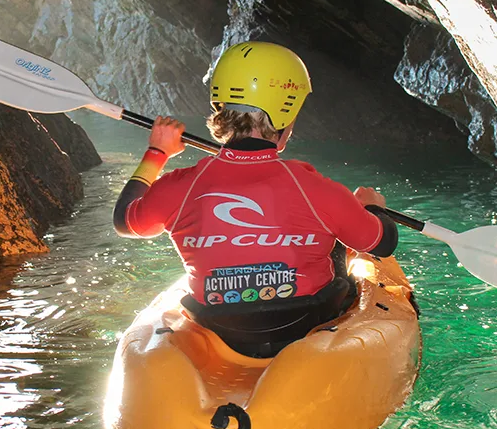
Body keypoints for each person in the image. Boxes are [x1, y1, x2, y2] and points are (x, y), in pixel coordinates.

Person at [113, 41, 398, 358]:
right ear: (286, 115)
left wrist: (158, 153)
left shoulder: (180, 186)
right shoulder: (315, 188)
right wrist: (372, 207)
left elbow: (125, 221)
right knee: (337, 242)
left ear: (219, 106)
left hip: (219, 328)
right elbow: (381, 243)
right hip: (309, 324)